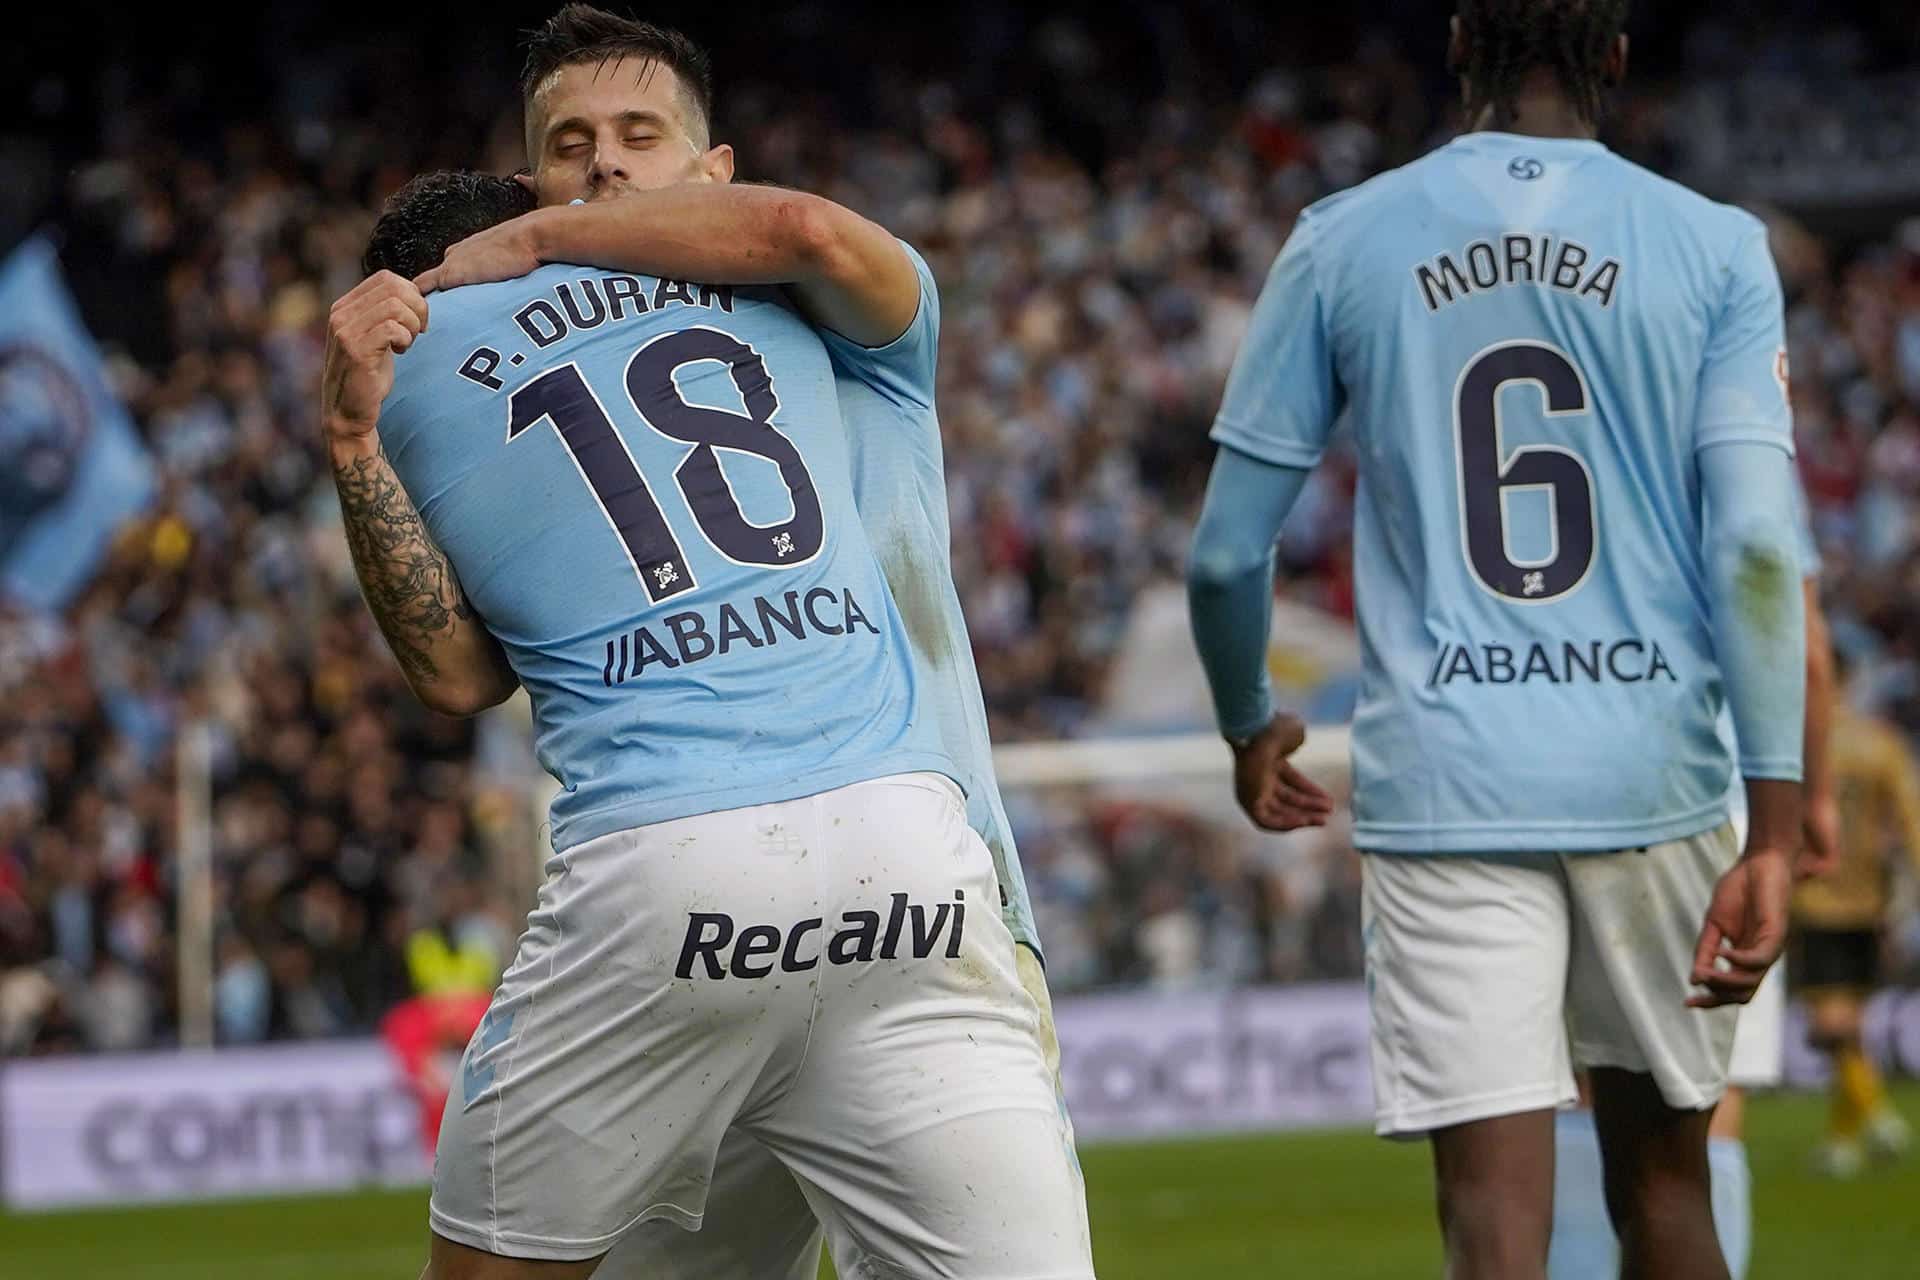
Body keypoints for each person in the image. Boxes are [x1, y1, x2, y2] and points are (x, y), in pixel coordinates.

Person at [332, 128, 1087, 1280]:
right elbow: (805, 229)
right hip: (918, 858)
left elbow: (455, 678)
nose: (596, 182)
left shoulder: (419, 369)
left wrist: (347, 431)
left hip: (666, 868)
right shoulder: (794, 314)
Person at [1186, 3, 1805, 1278]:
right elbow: (1756, 550)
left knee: (1492, 1220)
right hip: (1654, 775)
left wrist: (1251, 722)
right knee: (1669, 1187)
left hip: (1449, 782)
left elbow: (1224, 551)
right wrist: (1781, 826)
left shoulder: (1341, 239)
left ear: (1459, 43)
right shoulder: (1717, 247)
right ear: (1619, 58)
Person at [1550, 479, 1837, 1279]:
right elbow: (1804, 648)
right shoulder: (1741, 452)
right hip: (1720, 802)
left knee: (1583, 1086)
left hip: (1574, 778)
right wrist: (1813, 799)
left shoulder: (1596, 442)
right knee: (1710, 1098)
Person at [1792, 646, 1920, 1176]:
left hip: (1811, 898)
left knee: (1829, 1024)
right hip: (1870, 900)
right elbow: (1911, 820)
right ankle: (1843, 1141)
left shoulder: (1794, 745)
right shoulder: (1880, 743)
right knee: (1850, 1023)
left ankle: (1875, 1113)